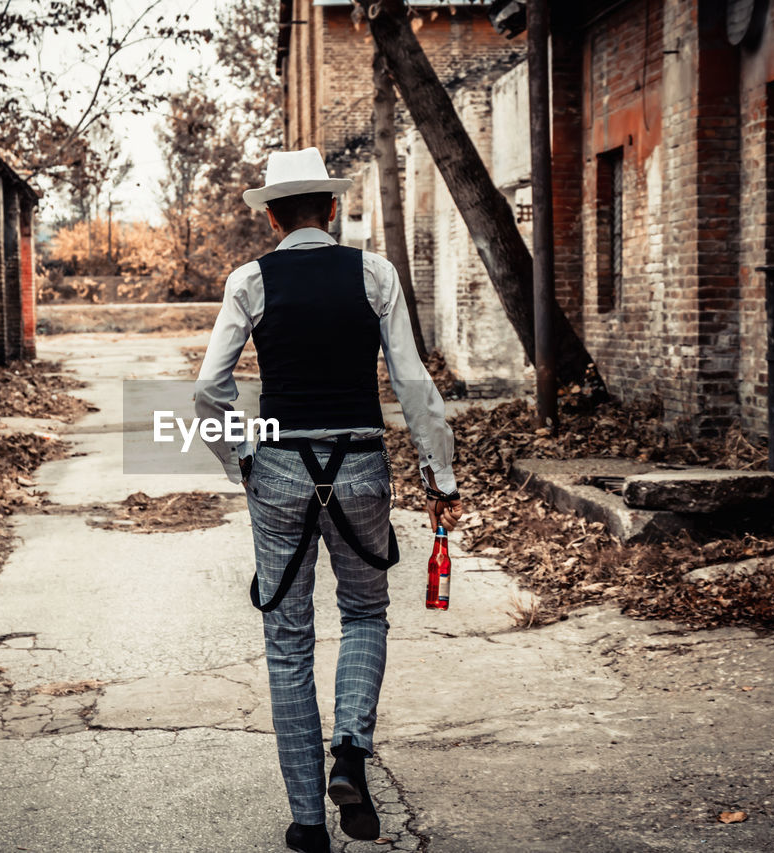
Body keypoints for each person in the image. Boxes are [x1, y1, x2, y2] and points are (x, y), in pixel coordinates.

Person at [195, 147, 462, 853]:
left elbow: (206, 389)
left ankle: (309, 824)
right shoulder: (373, 273)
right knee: (366, 610)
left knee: (287, 641)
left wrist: (240, 461)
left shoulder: (250, 280)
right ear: (333, 208)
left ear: (274, 216)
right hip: (360, 464)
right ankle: (349, 746)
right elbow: (413, 385)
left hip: (279, 468)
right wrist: (442, 476)